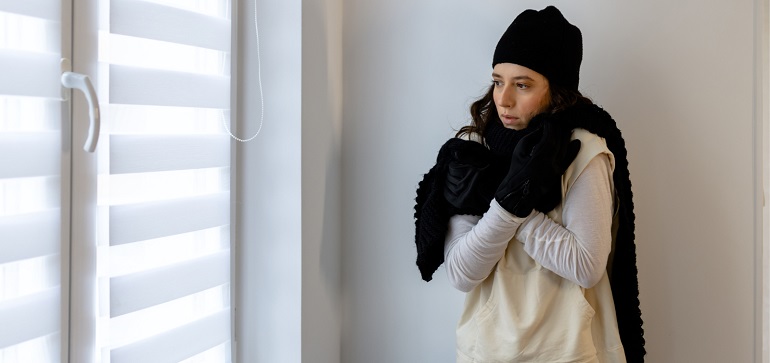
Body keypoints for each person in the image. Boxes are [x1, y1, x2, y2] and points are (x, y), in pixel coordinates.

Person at [413, 6, 645, 362]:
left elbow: (587, 266)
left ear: (557, 91)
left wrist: (513, 204)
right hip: (488, 351)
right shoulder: (475, 153)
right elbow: (461, 272)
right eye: (497, 81)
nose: (503, 99)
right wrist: (507, 197)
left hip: (569, 351)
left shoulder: (582, 152)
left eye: (522, 85)